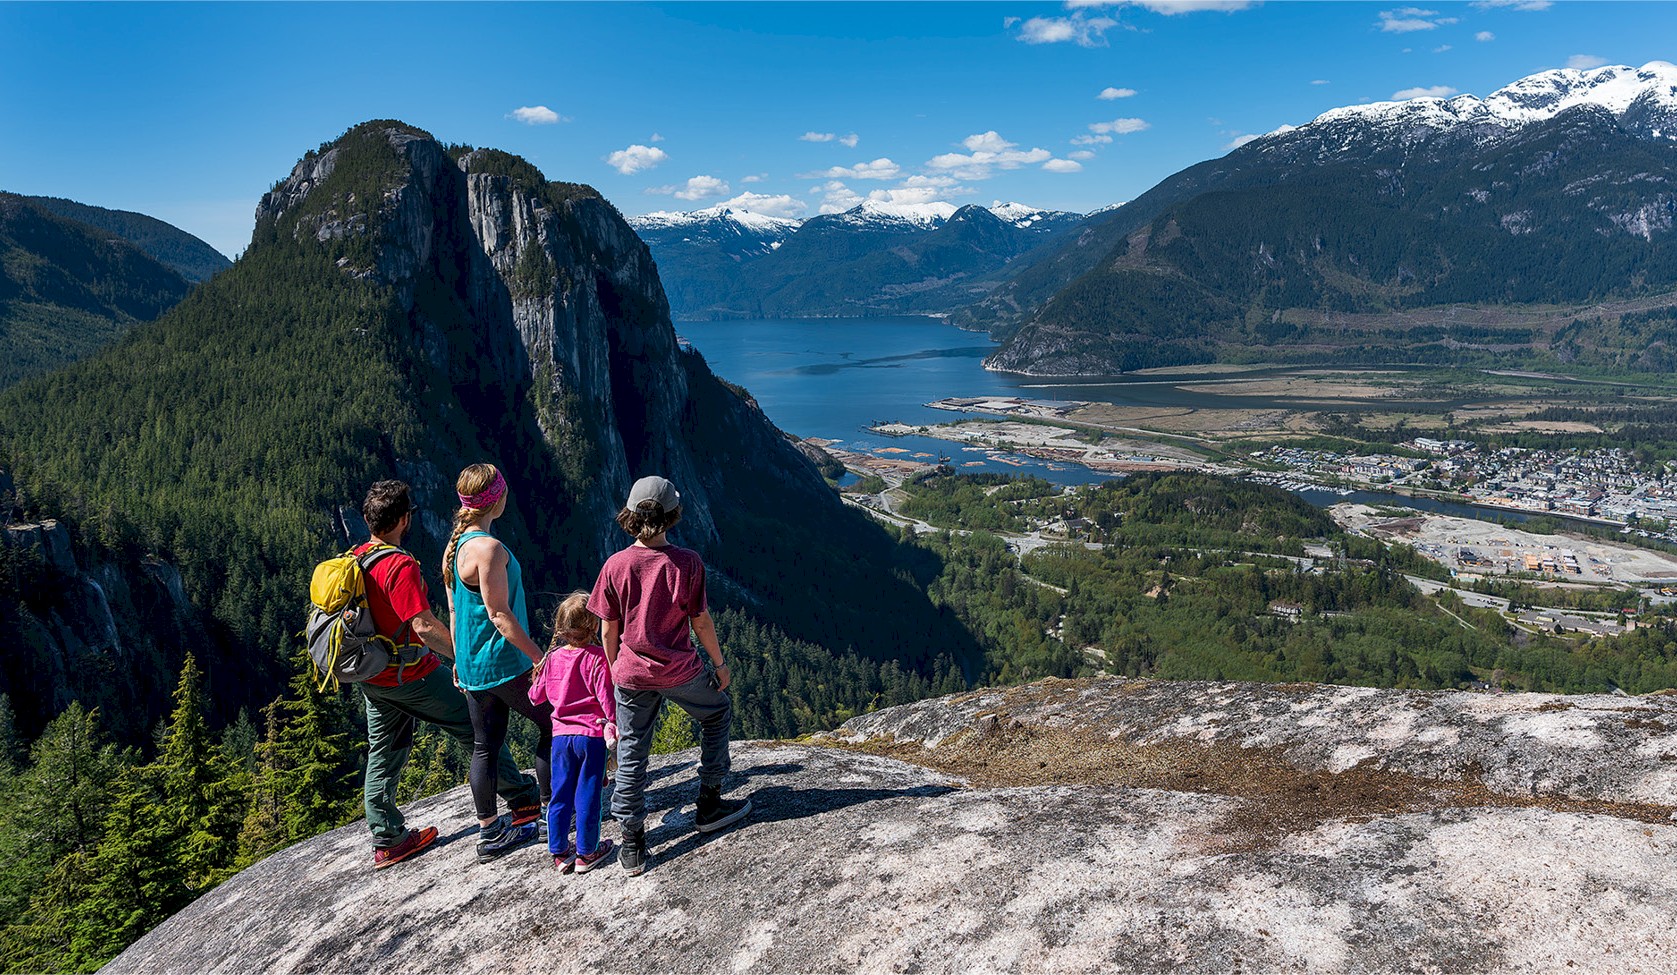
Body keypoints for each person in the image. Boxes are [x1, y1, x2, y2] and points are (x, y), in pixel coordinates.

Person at [352, 479, 542, 870]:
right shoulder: (397, 564)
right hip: (411, 673)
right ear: (404, 519)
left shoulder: (359, 558)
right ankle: (523, 798)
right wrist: (463, 655)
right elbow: (422, 626)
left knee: (383, 750)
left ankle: (387, 838)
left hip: (373, 678)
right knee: (477, 733)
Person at [588, 475, 751, 877]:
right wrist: (719, 664)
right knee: (715, 713)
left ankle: (632, 843)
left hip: (630, 674)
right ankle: (710, 803)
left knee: (631, 752)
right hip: (679, 669)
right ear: (673, 515)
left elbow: (607, 629)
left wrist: (613, 669)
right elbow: (701, 622)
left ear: (631, 514)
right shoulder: (687, 563)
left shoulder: (615, 565)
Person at [444, 462, 554, 863]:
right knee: (553, 722)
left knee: (484, 745)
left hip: (474, 667)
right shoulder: (488, 549)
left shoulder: (455, 547)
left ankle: (490, 833)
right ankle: (551, 813)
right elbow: (499, 614)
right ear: (497, 499)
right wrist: (540, 656)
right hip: (505, 662)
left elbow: (455, 611)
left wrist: (458, 659)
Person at [529, 591, 618, 873]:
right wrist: (614, 726)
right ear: (594, 626)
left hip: (560, 737)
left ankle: (559, 851)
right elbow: (607, 701)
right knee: (588, 793)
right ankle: (587, 852)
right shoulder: (597, 658)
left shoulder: (552, 659)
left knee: (560, 793)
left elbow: (535, 696)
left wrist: (538, 672)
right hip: (591, 737)